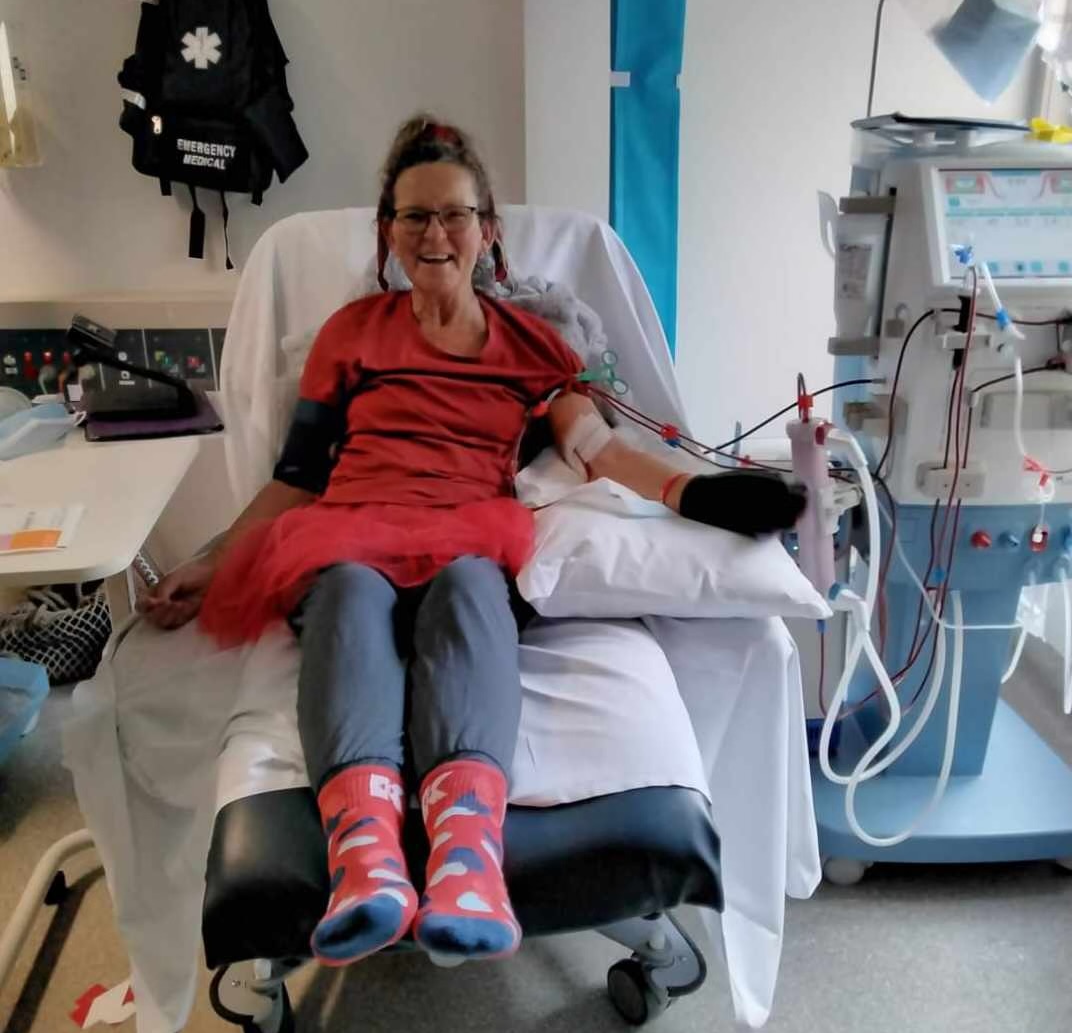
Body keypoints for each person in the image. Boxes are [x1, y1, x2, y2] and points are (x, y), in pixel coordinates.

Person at [140, 114, 805, 970]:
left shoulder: (535, 343)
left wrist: (699, 493)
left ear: (488, 229)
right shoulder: (352, 334)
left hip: (465, 528)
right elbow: (298, 475)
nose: (434, 234)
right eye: (414, 216)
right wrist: (212, 558)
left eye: (453, 214)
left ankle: (465, 864)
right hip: (349, 526)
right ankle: (367, 861)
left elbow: (597, 450)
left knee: (468, 590)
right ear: (388, 232)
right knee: (345, 593)